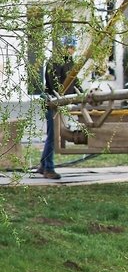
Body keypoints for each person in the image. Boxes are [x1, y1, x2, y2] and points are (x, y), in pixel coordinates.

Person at [38, 36, 81, 180]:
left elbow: (74, 81)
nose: (72, 51)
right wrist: (60, 96)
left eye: (73, 48)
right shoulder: (55, 61)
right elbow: (53, 82)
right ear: (64, 47)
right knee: (54, 135)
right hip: (52, 102)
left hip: (60, 102)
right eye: (70, 48)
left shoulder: (69, 61)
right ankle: (48, 169)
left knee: (53, 135)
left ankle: (44, 165)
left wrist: (82, 94)